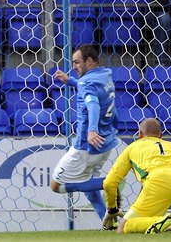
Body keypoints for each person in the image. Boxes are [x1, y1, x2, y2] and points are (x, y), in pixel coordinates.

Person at [50, 44, 118, 221]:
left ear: (89, 61)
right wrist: (70, 81)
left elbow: (93, 104)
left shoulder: (87, 82)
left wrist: (91, 130)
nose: (74, 67)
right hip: (106, 143)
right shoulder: (105, 74)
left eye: (77, 62)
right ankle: (108, 222)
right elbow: (88, 88)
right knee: (89, 188)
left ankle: (108, 183)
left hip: (87, 146)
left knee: (56, 185)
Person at [102, 118, 171, 234]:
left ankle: (158, 221)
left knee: (123, 227)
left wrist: (112, 208)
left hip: (159, 181)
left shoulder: (132, 147)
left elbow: (109, 183)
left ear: (140, 134)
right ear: (161, 135)